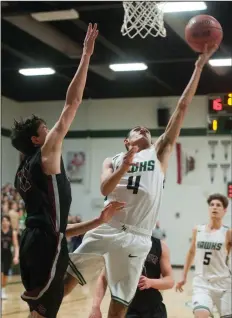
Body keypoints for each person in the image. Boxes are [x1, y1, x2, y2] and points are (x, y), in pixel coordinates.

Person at [64, 44, 218, 318]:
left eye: (145, 128)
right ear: (126, 141)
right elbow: (104, 188)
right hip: (108, 226)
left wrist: (198, 67)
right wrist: (123, 165)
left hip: (139, 236)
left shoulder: (158, 154)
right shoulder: (112, 159)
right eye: (136, 129)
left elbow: (182, 108)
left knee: (121, 303)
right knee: (67, 282)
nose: (143, 128)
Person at [10, 23, 125, 318]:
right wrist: (86, 54)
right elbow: (72, 103)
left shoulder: (24, 167)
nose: (52, 131)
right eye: (45, 129)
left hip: (37, 241)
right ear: (36, 140)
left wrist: (98, 220)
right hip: (44, 245)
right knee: (44, 311)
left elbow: (58, 229)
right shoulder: (45, 155)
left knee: (39, 311)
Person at [176, 193, 232, 318]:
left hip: (224, 284)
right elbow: (191, 252)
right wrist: (183, 276)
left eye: (218, 205)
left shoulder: (228, 232)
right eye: (212, 205)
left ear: (224, 211)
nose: (214, 207)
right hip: (202, 283)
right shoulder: (198, 230)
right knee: (201, 314)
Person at [89, 237, 174, 318]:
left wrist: (150, 282)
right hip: (125, 309)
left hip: (154, 309)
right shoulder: (119, 243)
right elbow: (103, 278)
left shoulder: (160, 246)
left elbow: (170, 281)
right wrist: (95, 307)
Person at [1, 215, 19, 300]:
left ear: (9, 222)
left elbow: (16, 246)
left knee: (5, 274)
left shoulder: (13, 232)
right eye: (3, 221)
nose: (4, 222)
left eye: (6, 221)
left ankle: (3, 291)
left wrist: (16, 256)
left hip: (7, 255)